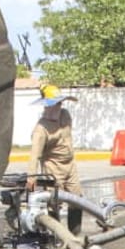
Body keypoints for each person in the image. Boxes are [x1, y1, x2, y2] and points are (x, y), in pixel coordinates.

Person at [26, 84, 83, 235]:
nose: (60, 105)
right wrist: (31, 176)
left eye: (60, 102)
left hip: (70, 166)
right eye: (56, 103)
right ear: (48, 106)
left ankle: (75, 235)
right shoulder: (41, 129)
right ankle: (57, 237)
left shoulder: (65, 115)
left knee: (77, 199)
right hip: (53, 167)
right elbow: (35, 154)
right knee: (54, 202)